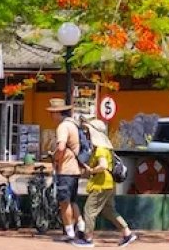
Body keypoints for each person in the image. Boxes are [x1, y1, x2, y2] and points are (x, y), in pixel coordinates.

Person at [81, 117, 136, 246]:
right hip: (108, 184)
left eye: (88, 131)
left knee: (89, 211)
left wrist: (91, 171)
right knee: (108, 211)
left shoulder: (100, 149)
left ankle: (87, 238)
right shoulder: (106, 148)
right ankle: (127, 233)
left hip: (101, 184)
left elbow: (103, 166)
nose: (86, 134)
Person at [48, 98, 93, 247]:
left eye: (52, 113)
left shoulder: (63, 127)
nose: (51, 116)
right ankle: (79, 226)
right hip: (75, 168)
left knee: (64, 202)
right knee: (72, 200)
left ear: (58, 113)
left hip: (65, 169)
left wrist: (55, 158)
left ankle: (69, 233)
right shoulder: (74, 124)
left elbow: (61, 148)